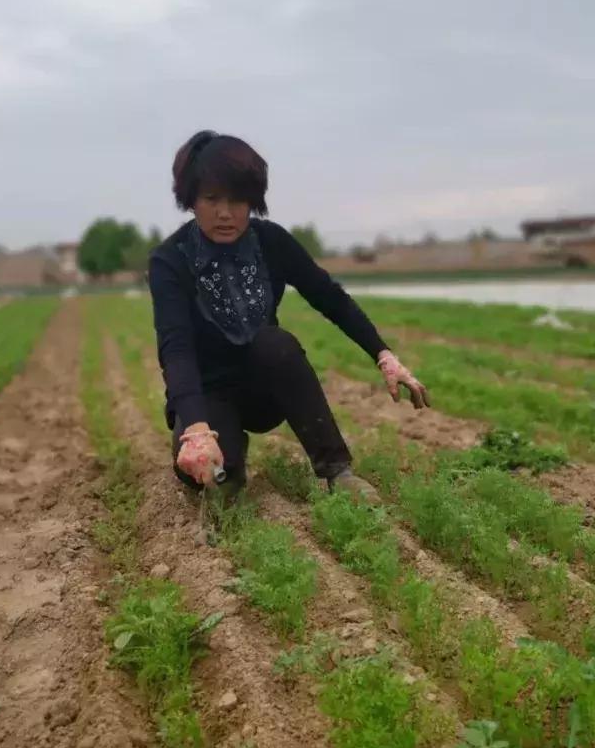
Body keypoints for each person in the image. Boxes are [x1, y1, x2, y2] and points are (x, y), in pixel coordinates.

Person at [148, 131, 429, 503]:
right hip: (207, 393)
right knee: (218, 483)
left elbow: (330, 298)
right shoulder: (170, 260)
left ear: (253, 200)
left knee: (274, 342)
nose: (225, 212)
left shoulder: (271, 242)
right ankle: (226, 454)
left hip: (262, 386)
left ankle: (337, 472)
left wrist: (383, 354)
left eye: (237, 199)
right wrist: (197, 430)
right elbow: (176, 347)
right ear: (191, 199)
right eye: (212, 199)